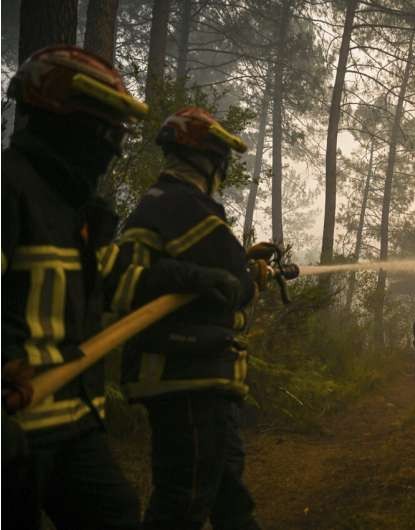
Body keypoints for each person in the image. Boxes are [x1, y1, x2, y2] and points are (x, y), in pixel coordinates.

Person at [1, 46, 242, 530]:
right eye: (106, 129)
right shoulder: (10, 189)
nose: (114, 147)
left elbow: (115, 281)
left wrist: (190, 277)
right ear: (63, 120)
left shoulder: (73, 211)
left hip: (69, 419)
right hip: (16, 425)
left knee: (116, 513)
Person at [117, 107, 272, 530]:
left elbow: (208, 276)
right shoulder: (187, 206)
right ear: (209, 162)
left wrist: (246, 266)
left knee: (230, 502)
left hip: (193, 375)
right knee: (181, 506)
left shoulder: (160, 204)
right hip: (188, 377)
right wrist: (250, 275)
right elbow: (233, 286)